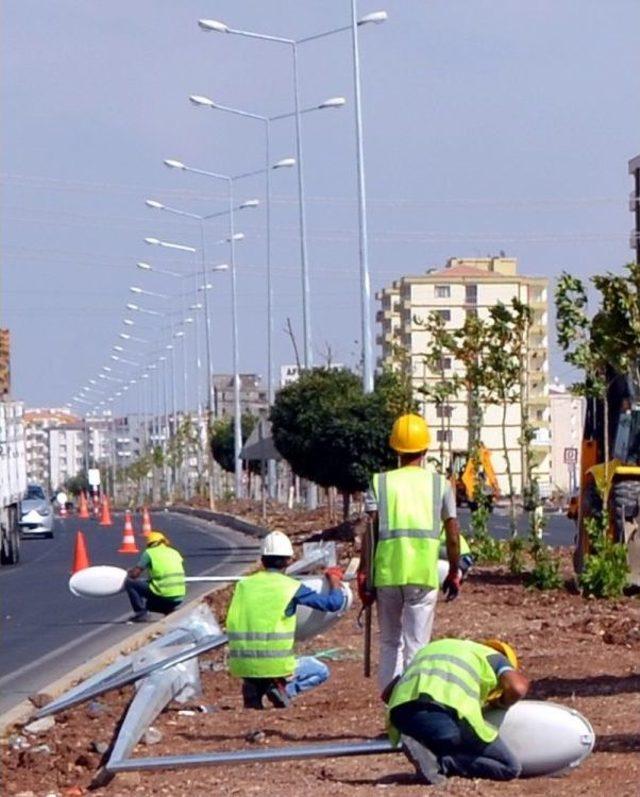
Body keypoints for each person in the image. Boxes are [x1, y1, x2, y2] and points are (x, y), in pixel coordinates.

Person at [360, 413, 461, 690]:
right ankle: (411, 706)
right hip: (422, 575)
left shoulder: (380, 482)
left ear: (396, 449)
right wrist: (453, 571)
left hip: (387, 574)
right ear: (425, 449)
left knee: (390, 642)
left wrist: (363, 572)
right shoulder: (440, 484)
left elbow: (369, 532)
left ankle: (391, 706)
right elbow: (453, 535)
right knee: (417, 645)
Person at [226, 530, 345, 710]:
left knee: (256, 679)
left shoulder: (243, 585)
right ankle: (285, 690)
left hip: (243, 664)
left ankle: (256, 689)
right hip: (276, 665)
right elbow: (333, 603)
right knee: (320, 671)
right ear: (289, 560)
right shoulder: (291, 587)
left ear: (263, 559)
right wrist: (334, 580)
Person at [385, 637, 529, 784]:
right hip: (445, 715)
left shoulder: (435, 648)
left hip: (401, 717)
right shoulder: (496, 658)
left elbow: (387, 693)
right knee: (510, 767)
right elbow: (517, 688)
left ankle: (425, 748)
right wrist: (500, 703)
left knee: (444, 736)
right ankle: (441, 764)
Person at [125, 531, 186, 622]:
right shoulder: (175, 552)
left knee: (130, 583)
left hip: (164, 593)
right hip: (179, 596)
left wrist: (128, 573)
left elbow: (135, 575)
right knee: (150, 605)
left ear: (150, 544)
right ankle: (169, 610)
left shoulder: (150, 553)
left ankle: (141, 613)